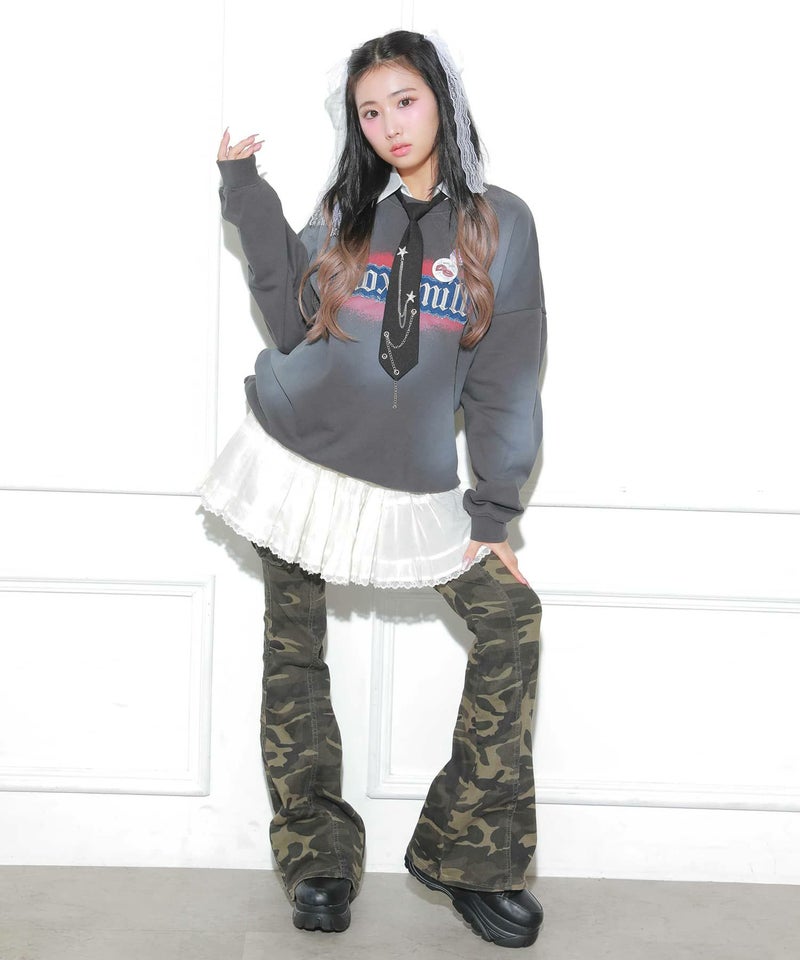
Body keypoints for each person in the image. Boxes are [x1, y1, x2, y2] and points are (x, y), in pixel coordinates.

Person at [199, 29, 547, 949]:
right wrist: (246, 192)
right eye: (369, 111)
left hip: (412, 482)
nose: (390, 125)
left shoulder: (500, 225)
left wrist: (495, 509)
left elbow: (507, 376)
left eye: (405, 101)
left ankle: (466, 853)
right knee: (294, 654)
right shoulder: (348, 213)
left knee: (511, 623)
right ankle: (315, 857)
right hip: (298, 458)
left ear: (441, 100)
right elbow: (289, 324)